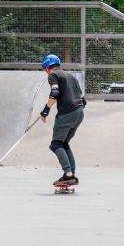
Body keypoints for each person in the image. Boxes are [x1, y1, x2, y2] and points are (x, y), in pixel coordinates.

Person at [39, 54, 86, 186]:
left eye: (45, 69)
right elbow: (82, 99)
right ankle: (72, 174)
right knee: (64, 143)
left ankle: (68, 174)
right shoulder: (71, 76)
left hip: (67, 113)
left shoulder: (53, 75)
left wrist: (45, 111)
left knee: (56, 144)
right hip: (79, 112)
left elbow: (55, 93)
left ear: (48, 67)